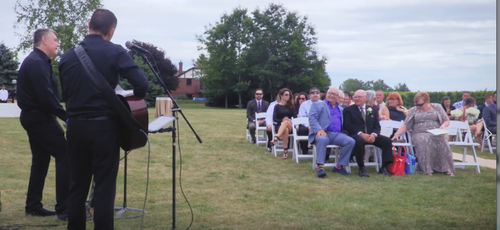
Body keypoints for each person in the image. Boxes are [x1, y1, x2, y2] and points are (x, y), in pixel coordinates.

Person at [58, 9, 149, 230]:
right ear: (111, 31)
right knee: (104, 186)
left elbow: (66, 94)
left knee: (77, 185)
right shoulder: (115, 52)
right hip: (104, 128)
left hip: (76, 127)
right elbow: (142, 84)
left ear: (89, 24)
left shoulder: (67, 56)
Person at [17, 28, 69, 220]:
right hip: (39, 118)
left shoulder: (38, 61)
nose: (58, 44)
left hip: (34, 117)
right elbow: (46, 98)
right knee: (66, 155)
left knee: (40, 160)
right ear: (44, 40)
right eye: (55, 40)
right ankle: (65, 208)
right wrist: (68, 117)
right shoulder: (37, 63)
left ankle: (33, 205)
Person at [392, 92, 455, 176]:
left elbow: (446, 120)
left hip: (436, 131)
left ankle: (446, 168)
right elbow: (406, 124)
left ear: (427, 101)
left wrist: (443, 126)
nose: (418, 106)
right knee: (424, 140)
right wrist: (397, 134)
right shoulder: (413, 110)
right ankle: (427, 169)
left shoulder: (437, 107)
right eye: (416, 104)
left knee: (442, 140)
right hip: (419, 133)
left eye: (420, 104)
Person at [343, 90, 393, 177]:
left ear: (365, 98)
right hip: (356, 135)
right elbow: (347, 125)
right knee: (359, 141)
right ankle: (361, 167)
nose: (357, 99)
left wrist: (374, 134)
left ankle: (384, 167)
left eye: (359, 97)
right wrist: (361, 134)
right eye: (355, 97)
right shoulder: (348, 110)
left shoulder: (371, 109)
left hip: (370, 135)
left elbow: (376, 125)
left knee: (387, 141)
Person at [309, 87, 355, 178]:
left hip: (337, 134)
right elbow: (312, 119)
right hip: (324, 132)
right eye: (330, 93)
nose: (331, 96)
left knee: (351, 141)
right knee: (321, 139)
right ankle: (320, 167)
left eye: (334, 94)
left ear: (338, 97)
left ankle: (338, 166)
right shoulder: (318, 105)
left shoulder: (341, 109)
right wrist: (319, 129)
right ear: (326, 94)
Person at [270, 88, 296, 159]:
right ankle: (285, 151)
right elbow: (274, 118)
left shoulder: (292, 106)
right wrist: (282, 120)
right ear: (281, 96)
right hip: (280, 126)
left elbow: (295, 117)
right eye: (286, 95)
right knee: (285, 130)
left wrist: (289, 120)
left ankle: (276, 137)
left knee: (286, 122)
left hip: (290, 124)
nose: (288, 96)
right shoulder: (277, 106)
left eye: (289, 95)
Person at [297, 87, 322, 155]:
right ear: (309, 95)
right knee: (302, 130)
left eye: (317, 93)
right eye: (313, 93)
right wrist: (308, 126)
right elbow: (302, 117)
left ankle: (324, 154)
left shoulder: (323, 104)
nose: (315, 94)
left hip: (320, 125)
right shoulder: (304, 104)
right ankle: (305, 150)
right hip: (307, 124)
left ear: (319, 95)